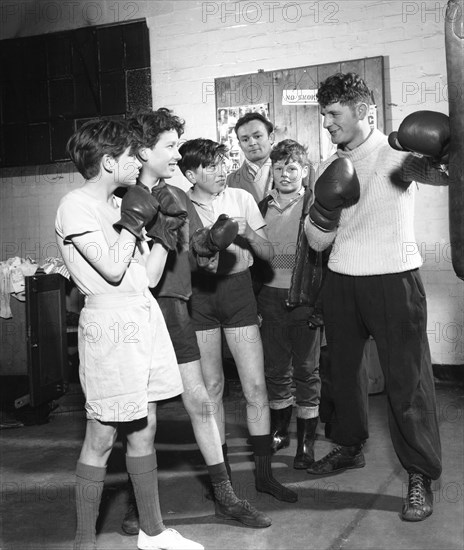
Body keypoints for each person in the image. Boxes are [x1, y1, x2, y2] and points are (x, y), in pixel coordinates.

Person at [119, 108, 271, 533]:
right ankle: (138, 503)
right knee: (139, 415)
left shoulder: (179, 197)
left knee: (202, 402)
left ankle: (225, 497)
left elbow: (195, 254)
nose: (176, 155)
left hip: (177, 309)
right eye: (169, 147)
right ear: (143, 151)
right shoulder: (120, 197)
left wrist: (212, 240)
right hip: (135, 314)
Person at [304, 72, 447, 522]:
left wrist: (446, 147)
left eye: (333, 113)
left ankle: (420, 474)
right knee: (341, 376)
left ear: (362, 111)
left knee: (408, 383)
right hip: (343, 280)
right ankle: (348, 447)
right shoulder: (330, 166)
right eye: (323, 113)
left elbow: (446, 177)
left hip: (395, 279)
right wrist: (325, 211)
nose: (326, 122)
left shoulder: (398, 152)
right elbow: (316, 242)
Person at [55, 119, 203, 550]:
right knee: (102, 435)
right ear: (107, 162)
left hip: (143, 318)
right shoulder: (75, 205)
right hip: (109, 327)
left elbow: (147, 276)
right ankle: (85, 541)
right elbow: (111, 268)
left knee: (145, 428)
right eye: (126, 156)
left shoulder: (120, 203)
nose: (134, 161)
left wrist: (163, 235)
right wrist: (133, 220)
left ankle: (152, 533)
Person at [179, 138, 298, 504]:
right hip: (200, 298)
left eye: (222, 162)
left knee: (255, 387)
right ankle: (224, 483)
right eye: (211, 166)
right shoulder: (179, 206)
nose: (221, 171)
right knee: (212, 389)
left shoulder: (241, 199)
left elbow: (268, 253)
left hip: (239, 294)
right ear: (190, 174)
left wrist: (247, 233)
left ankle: (264, 476)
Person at [256, 139, 322, 470]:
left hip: (304, 299)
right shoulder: (260, 205)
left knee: (307, 370)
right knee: (276, 369)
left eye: (292, 167)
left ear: (305, 171)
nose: (284, 174)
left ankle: (307, 442)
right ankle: (280, 431)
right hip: (269, 296)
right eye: (279, 168)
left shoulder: (315, 205)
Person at [226, 112, 275, 203]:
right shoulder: (230, 181)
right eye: (245, 139)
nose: (252, 143)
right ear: (240, 144)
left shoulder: (293, 169)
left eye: (257, 136)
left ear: (271, 138)